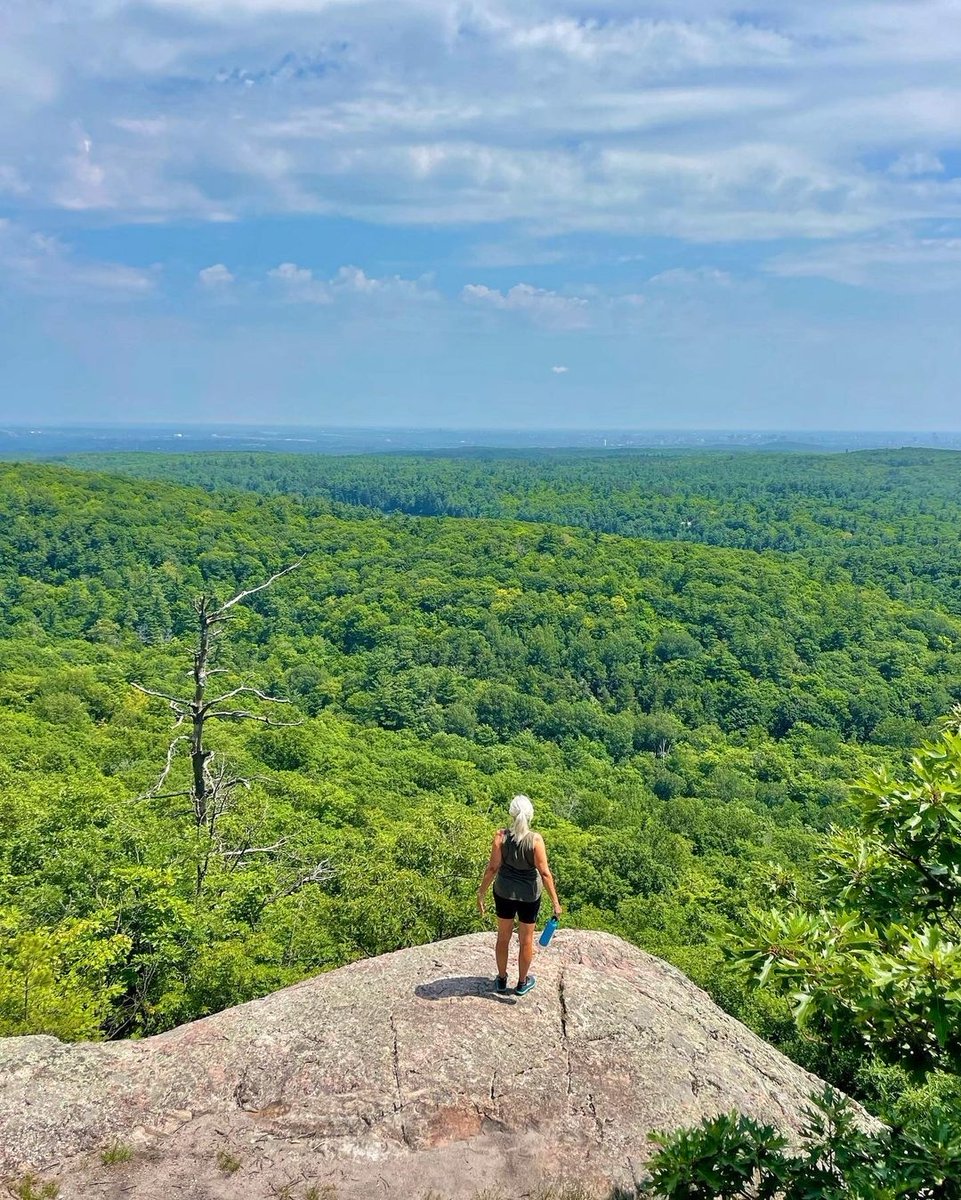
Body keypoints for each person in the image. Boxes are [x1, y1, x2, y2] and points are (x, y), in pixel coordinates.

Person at [476, 794, 562, 996]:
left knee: (503, 937)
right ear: (530, 815)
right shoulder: (535, 840)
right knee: (526, 940)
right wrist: (555, 903)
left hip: (504, 892)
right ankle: (522, 983)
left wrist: (481, 893)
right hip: (529, 896)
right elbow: (545, 873)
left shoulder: (500, 836)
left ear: (511, 814)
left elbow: (492, 868)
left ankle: (501, 979)